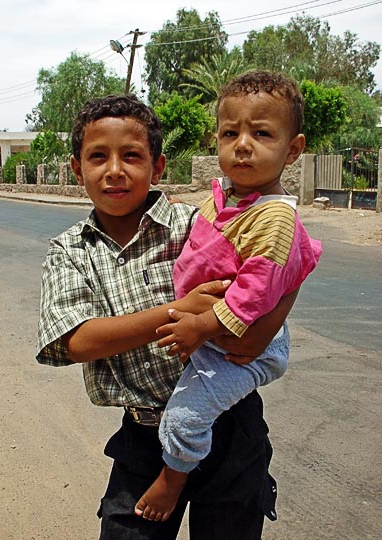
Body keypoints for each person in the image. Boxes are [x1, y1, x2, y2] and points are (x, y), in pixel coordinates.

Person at [36, 93, 299, 540]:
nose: (115, 170)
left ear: (157, 167)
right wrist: (179, 312)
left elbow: (270, 276)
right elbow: (75, 341)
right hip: (144, 439)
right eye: (98, 157)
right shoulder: (71, 251)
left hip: (231, 427)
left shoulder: (196, 224)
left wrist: (257, 334)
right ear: (78, 169)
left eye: (132, 156)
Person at [135, 71, 322, 522]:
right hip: (215, 332)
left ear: (292, 149)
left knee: (183, 417)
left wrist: (200, 326)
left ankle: (171, 481)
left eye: (261, 133)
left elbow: (254, 295)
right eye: (230, 132)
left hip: (244, 346)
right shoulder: (220, 201)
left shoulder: (274, 218)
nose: (242, 144)